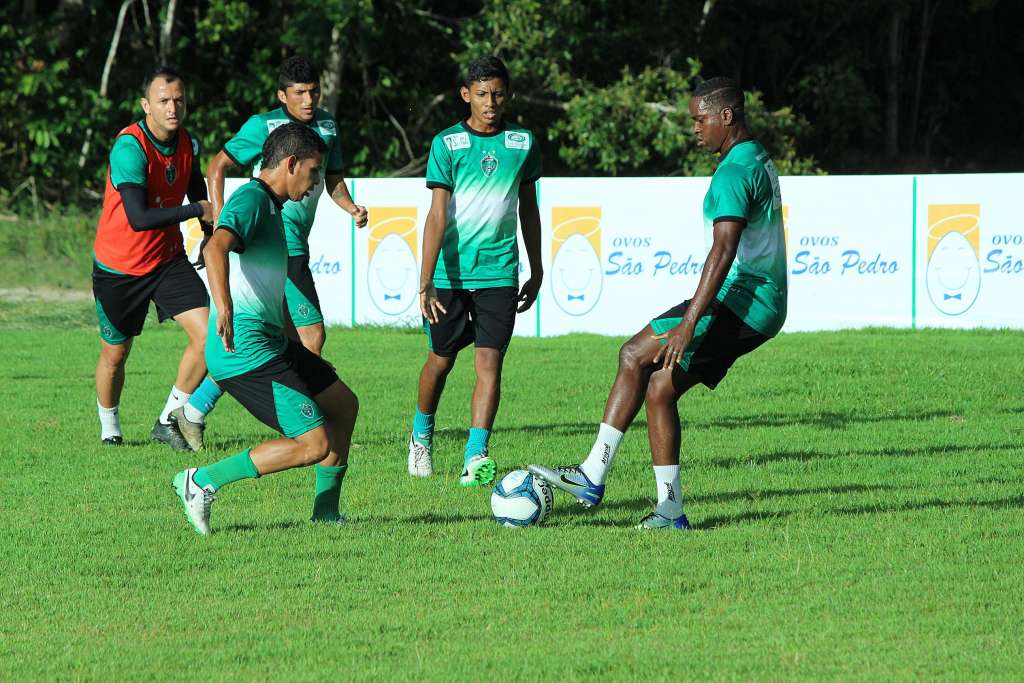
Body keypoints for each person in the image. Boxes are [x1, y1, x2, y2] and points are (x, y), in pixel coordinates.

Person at [529, 78, 788, 529]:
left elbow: (723, 250)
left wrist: (688, 324)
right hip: (759, 302)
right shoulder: (754, 155)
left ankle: (592, 474)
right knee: (660, 388)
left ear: (726, 116)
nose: (694, 128)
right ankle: (670, 510)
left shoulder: (734, 171)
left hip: (743, 301)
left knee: (633, 355)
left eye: (699, 118)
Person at [171, 55, 366, 451]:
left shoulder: (327, 127)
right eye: (300, 93)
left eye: (314, 91)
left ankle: (194, 412)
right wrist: (222, 220)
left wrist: (349, 208)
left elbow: (333, 178)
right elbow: (218, 165)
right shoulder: (265, 127)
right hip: (279, 243)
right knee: (308, 335)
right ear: (282, 95)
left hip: (290, 244)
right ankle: (305, 422)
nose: (309, 100)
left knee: (283, 335)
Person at [173, 123, 359, 536]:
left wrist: (301, 351)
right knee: (314, 444)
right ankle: (201, 481)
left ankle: (326, 514)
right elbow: (214, 246)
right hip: (242, 351)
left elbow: (269, 293)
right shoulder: (252, 199)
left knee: (344, 405)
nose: (314, 185)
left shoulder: (273, 208)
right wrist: (223, 306)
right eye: (312, 172)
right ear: (290, 164)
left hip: (271, 342)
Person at [408, 56, 543, 487]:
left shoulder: (523, 143)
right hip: (449, 277)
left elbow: (530, 208)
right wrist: (426, 279)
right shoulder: (446, 144)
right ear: (466, 94)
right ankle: (420, 437)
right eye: (482, 94)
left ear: (508, 95)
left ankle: (475, 455)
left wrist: (536, 267)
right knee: (440, 362)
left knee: (490, 363)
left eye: (498, 94)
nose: (491, 103)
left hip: (500, 274)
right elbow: (436, 216)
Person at [92, 66, 214, 450]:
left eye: (178, 99)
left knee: (210, 335)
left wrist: (210, 236)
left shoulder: (187, 143)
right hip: (119, 266)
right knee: (116, 354)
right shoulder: (130, 147)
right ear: (147, 105)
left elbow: (200, 197)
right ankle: (110, 427)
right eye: (163, 100)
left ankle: (167, 420)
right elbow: (139, 217)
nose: (172, 107)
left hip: (166, 260)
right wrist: (196, 212)